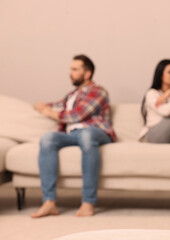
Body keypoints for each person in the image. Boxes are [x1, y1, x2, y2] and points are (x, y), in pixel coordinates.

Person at [31, 55, 116, 218]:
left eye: (75, 69)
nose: (70, 73)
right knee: (48, 138)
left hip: (95, 132)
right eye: (71, 69)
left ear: (87, 73)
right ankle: (49, 202)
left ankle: (88, 202)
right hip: (71, 134)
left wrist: (49, 112)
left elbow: (76, 115)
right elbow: (55, 106)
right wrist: (41, 106)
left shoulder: (98, 91)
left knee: (86, 136)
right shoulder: (72, 95)